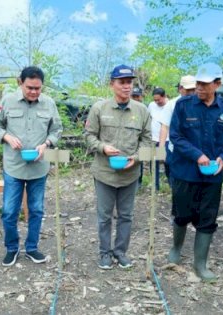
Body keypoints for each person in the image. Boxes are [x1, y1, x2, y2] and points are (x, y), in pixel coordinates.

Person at [167, 63, 223, 282]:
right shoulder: (184, 105)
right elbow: (176, 136)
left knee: (207, 218)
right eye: (197, 83)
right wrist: (197, 155)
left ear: (217, 84)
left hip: (212, 174)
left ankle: (200, 264)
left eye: (205, 84)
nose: (199, 88)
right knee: (182, 213)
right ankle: (176, 248)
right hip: (185, 172)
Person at [0, 66, 63, 266]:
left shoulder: (49, 104)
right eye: (29, 87)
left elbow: (56, 130)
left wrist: (46, 144)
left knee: (37, 209)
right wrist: (7, 137)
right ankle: (12, 248)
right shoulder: (7, 101)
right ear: (20, 83)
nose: (33, 92)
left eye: (37, 88)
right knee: (9, 211)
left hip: (39, 168)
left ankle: (32, 247)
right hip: (14, 166)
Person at [85, 64, 152, 269]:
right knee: (104, 216)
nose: (126, 87)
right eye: (122, 82)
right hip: (104, 173)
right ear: (112, 84)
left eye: (129, 82)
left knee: (126, 216)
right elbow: (88, 136)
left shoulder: (141, 110)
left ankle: (120, 251)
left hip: (130, 174)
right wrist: (103, 147)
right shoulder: (99, 108)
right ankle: (105, 253)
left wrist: (137, 157)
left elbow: (148, 141)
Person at [158, 75, 197, 186]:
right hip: (175, 148)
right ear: (180, 88)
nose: (191, 92)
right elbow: (164, 126)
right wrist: (161, 150)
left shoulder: (200, 104)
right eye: (188, 90)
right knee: (175, 179)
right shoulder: (171, 104)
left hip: (195, 149)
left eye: (193, 89)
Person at [148, 87, 169, 189]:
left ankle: (171, 184)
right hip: (153, 139)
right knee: (153, 163)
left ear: (164, 96)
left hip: (167, 140)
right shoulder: (151, 105)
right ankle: (155, 186)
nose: (156, 102)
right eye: (155, 100)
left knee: (168, 163)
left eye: (158, 100)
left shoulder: (171, 105)